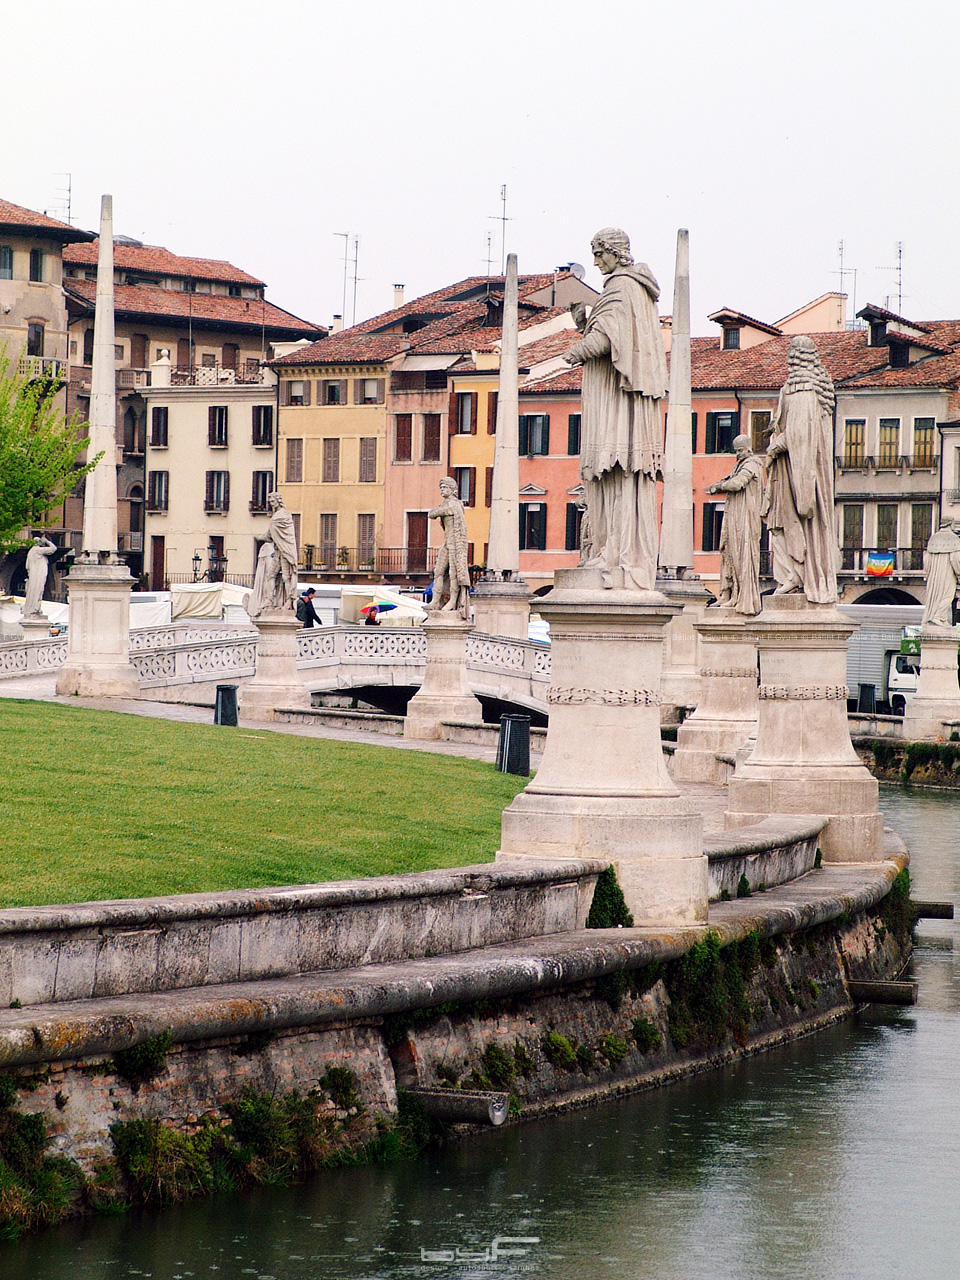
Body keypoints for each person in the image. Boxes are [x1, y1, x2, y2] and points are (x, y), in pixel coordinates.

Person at [563, 227, 668, 589]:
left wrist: (575, 351)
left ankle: (617, 552)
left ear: (615, 252)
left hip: (616, 398)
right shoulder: (633, 290)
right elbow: (610, 329)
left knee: (615, 469)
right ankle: (610, 549)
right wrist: (583, 322)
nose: (595, 260)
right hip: (613, 392)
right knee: (610, 475)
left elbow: (610, 337)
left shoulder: (623, 286)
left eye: (599, 252)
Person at [762, 336, 839, 604]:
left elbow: (799, 435)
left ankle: (797, 576)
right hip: (791, 469)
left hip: (798, 473)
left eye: (793, 353)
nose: (789, 358)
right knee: (778, 525)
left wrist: (775, 447)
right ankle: (793, 576)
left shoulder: (802, 391)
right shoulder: (801, 389)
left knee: (787, 524)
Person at [706, 435, 764, 615]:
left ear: (748, 448)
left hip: (745, 517)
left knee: (741, 555)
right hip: (735, 515)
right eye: (736, 451)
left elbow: (738, 483)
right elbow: (731, 479)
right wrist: (719, 483)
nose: (737, 454)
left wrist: (719, 487)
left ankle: (739, 597)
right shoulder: (739, 465)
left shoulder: (752, 465)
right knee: (728, 550)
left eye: (740, 450)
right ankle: (726, 593)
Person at [249, 493, 299, 617]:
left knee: (284, 577)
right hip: (280, 552)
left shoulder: (279, 516)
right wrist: (260, 537)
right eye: (270, 502)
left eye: (273, 501)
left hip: (285, 552)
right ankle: (271, 600)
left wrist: (259, 537)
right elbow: (273, 535)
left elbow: (270, 535)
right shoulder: (284, 516)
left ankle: (286, 601)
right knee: (272, 576)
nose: (272, 504)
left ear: (278, 501)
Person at [428, 477, 471, 617]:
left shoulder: (454, 505)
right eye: (441, 487)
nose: (442, 490)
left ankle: (453, 601)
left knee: (454, 574)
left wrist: (436, 511)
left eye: (445, 487)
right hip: (446, 543)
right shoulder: (446, 504)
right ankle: (435, 601)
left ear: (453, 490)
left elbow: (433, 513)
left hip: (455, 544)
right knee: (438, 571)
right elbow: (433, 514)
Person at [921, 521, 960, 628]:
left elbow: (927, 560)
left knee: (934, 597)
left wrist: (929, 573)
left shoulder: (933, 538)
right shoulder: (953, 539)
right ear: (950, 524)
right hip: (947, 575)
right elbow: (955, 559)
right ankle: (938, 617)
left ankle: (936, 617)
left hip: (934, 575)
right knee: (948, 596)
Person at [22, 536, 58, 618]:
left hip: (33, 575)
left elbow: (27, 566)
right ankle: (35, 608)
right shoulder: (38, 550)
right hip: (38, 575)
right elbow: (53, 549)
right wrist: (47, 541)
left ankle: (33, 607)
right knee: (38, 590)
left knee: (34, 591)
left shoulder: (30, 552)